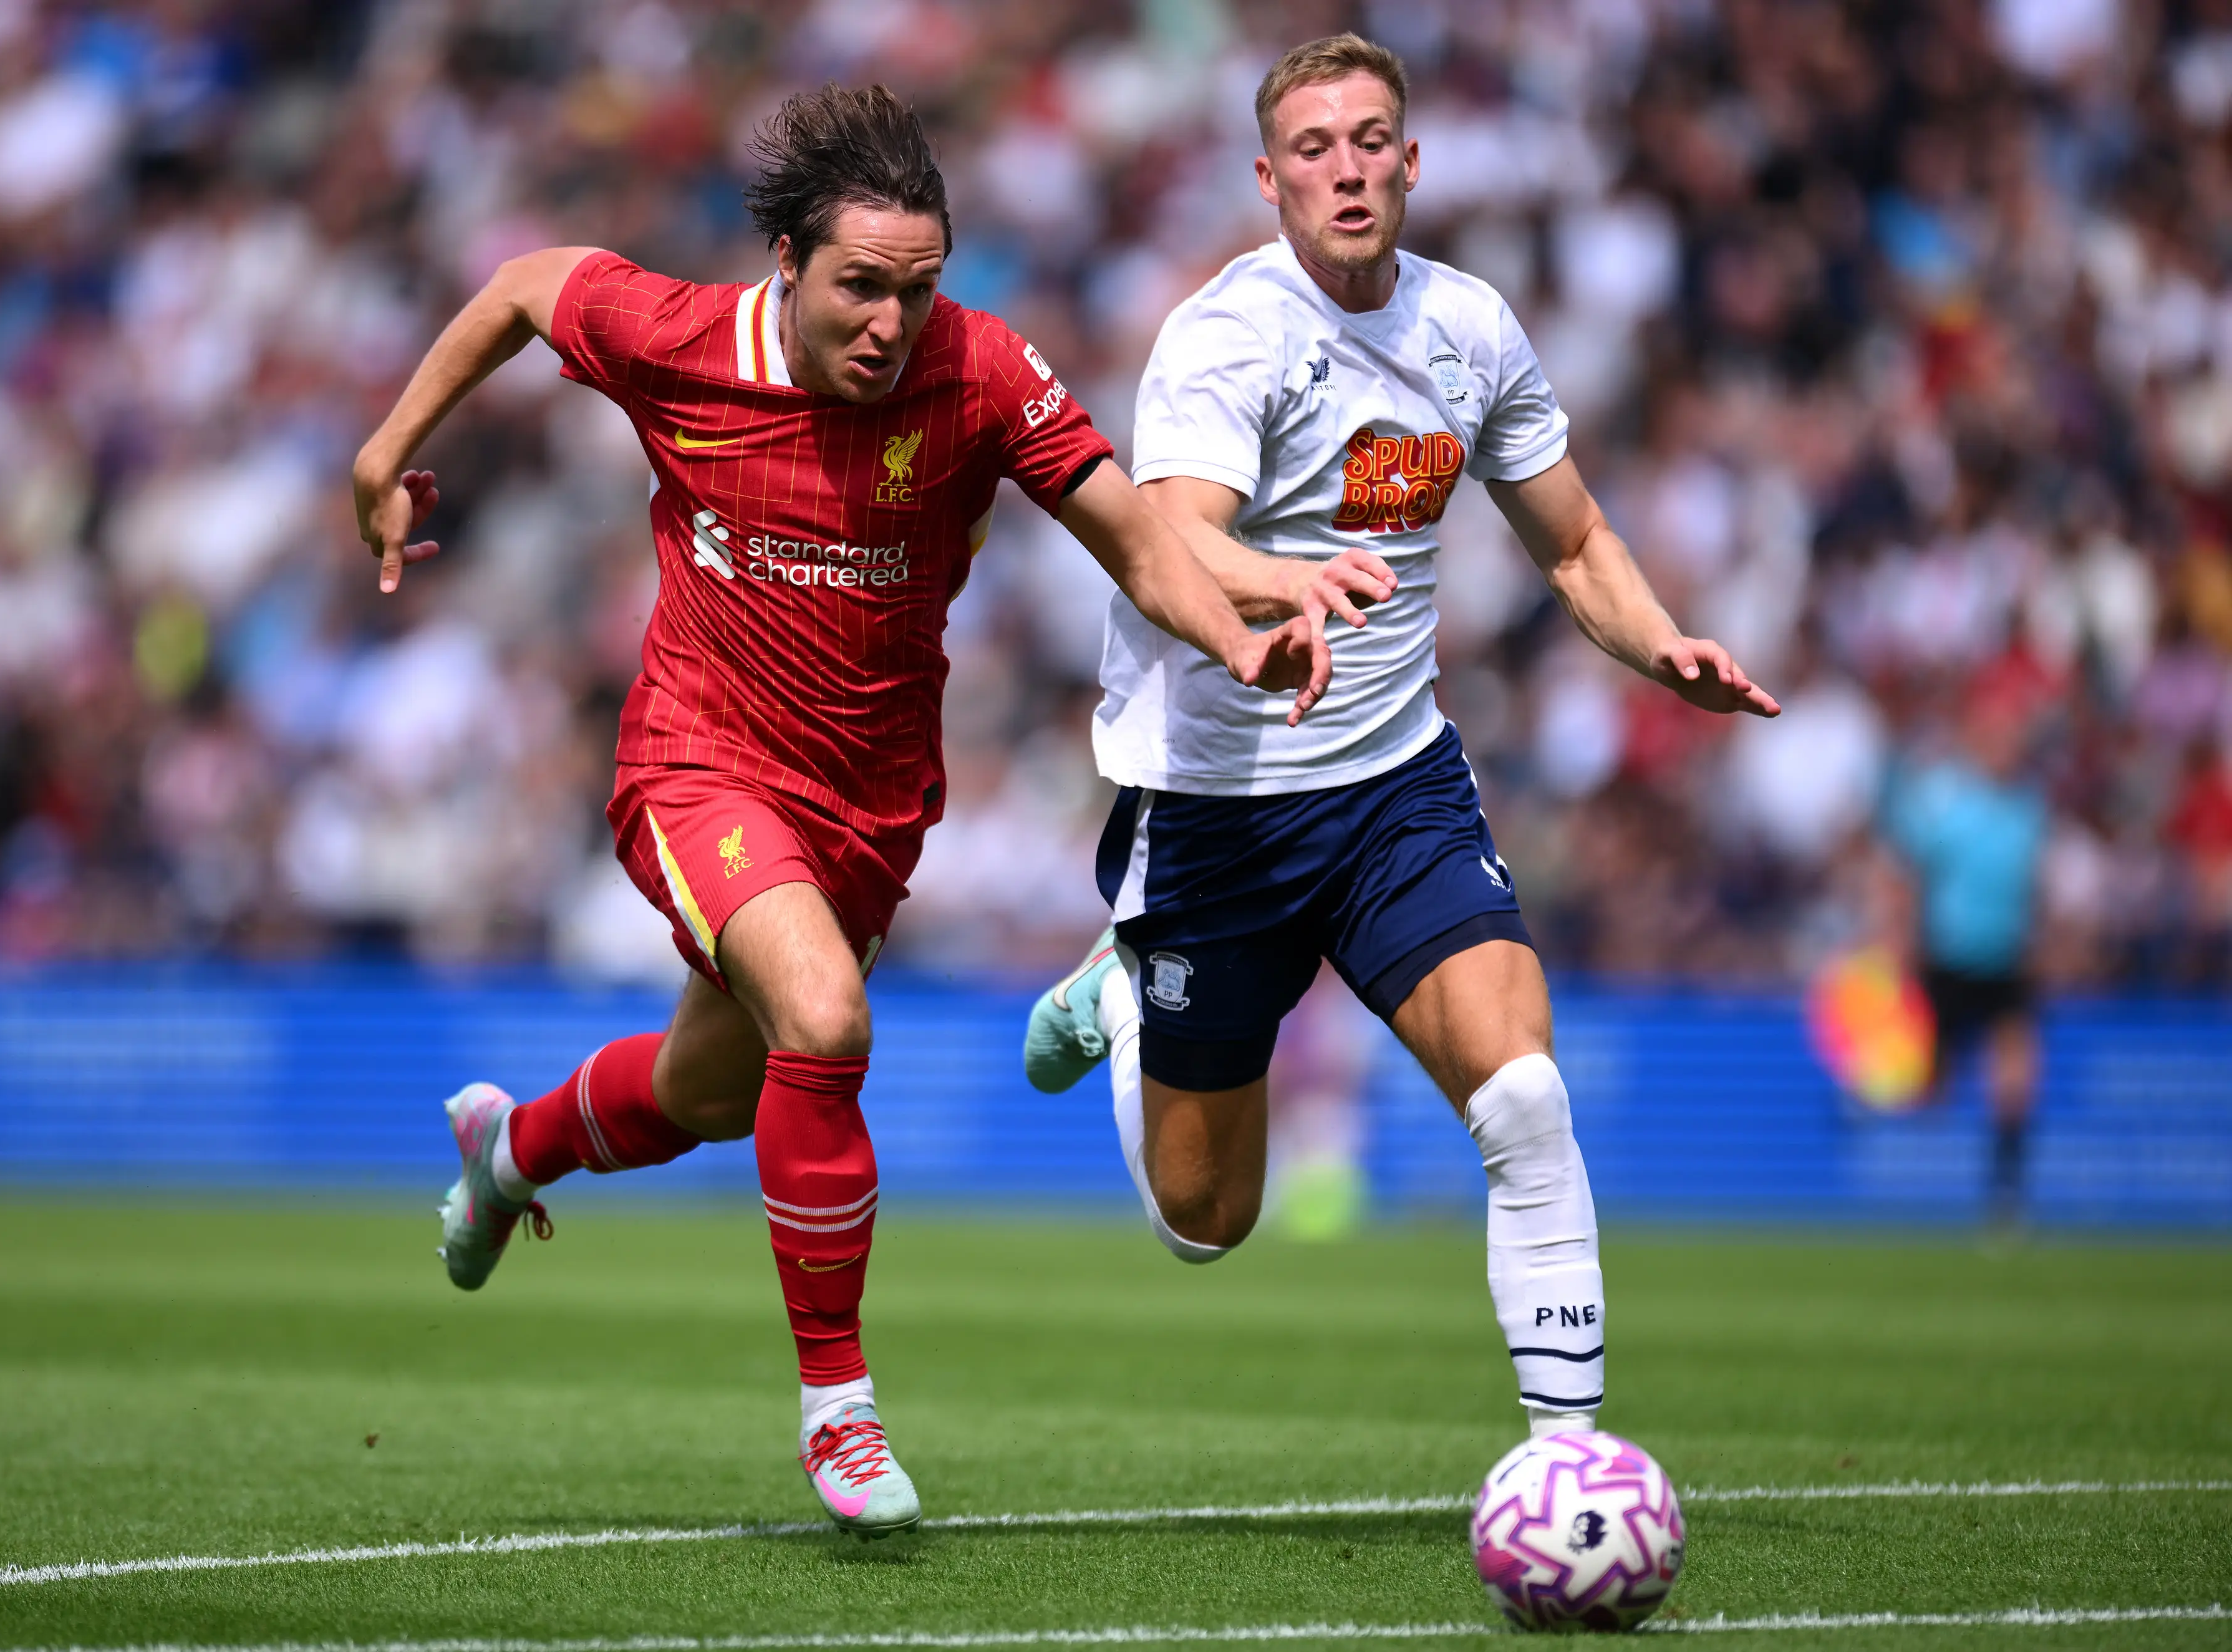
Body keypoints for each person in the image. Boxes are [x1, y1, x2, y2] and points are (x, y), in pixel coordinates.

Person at [350, 85, 1329, 1538]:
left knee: (710, 1093)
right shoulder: (676, 338)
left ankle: (511, 1151)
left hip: (870, 810)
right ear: (786, 265)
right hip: (696, 765)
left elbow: (1134, 533)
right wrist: (381, 455)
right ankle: (840, 1409)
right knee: (822, 1020)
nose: (890, 322)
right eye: (860, 287)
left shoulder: (983, 371)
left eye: (917, 289)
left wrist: (1238, 625)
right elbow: (518, 287)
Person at [1022, 35, 1779, 1440]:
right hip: (1218, 802)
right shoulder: (1227, 333)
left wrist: (1661, 640)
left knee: (1529, 1099)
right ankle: (1127, 996)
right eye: (1313, 148)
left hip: (1394, 786)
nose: (1348, 168)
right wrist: (1279, 582)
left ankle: (1574, 1468)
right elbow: (1173, 538)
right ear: (1269, 179)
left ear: (1413, 162)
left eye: (1372, 138)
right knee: (1207, 1219)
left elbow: (1577, 541)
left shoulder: (1471, 327)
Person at [1880, 685, 2049, 1230]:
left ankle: (2006, 1195)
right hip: (1948, 957)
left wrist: (2041, 944)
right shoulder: (1947, 801)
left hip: (2007, 962)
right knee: (1932, 1090)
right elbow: (1910, 874)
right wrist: (1901, 941)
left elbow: (2032, 888)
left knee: (2016, 1080)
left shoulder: (2030, 809)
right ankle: (1856, 1108)